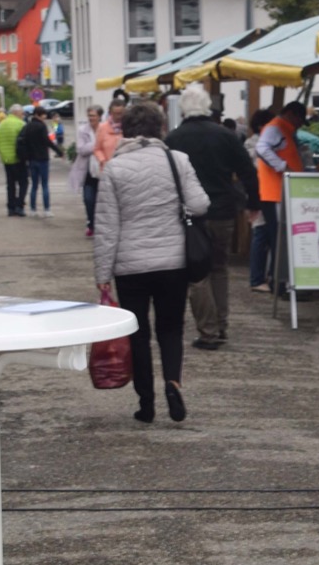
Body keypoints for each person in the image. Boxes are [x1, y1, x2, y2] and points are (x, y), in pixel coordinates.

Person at [94, 101, 211, 425]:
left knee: (138, 333)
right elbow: (200, 204)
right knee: (171, 328)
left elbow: (106, 225)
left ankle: (146, 404)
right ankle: (172, 382)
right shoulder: (178, 161)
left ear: (126, 131)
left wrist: (103, 273)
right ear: (160, 128)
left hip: (129, 266)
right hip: (173, 260)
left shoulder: (115, 169)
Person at [166, 85, 257, 351]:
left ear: (184, 107)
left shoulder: (174, 139)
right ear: (208, 106)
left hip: (191, 216)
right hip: (223, 212)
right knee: (219, 268)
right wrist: (254, 203)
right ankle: (222, 324)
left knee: (197, 274)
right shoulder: (225, 136)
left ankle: (208, 331)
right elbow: (247, 171)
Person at [249, 101, 305, 293]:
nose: (301, 123)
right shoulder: (275, 128)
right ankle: (278, 280)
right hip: (275, 192)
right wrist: (282, 166)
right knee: (277, 237)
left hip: (279, 191)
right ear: (291, 114)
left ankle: (276, 279)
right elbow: (262, 148)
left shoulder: (282, 129)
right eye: (300, 118)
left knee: (272, 235)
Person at [71, 104, 102, 237]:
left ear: (99, 116)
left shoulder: (105, 129)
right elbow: (81, 149)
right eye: (89, 115)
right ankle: (91, 223)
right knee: (88, 199)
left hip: (102, 170)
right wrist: (96, 145)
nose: (91, 118)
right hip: (88, 171)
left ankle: (99, 226)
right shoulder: (83, 130)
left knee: (102, 201)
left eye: (93, 115)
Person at [17, 108, 53, 216]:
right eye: (43, 115)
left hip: (32, 159)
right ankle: (46, 210)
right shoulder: (42, 126)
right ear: (38, 115)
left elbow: (24, 141)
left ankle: (33, 209)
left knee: (34, 186)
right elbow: (47, 141)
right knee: (45, 185)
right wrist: (59, 151)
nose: (45, 117)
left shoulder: (27, 126)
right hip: (43, 158)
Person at [0, 104, 28, 216]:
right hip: (19, 159)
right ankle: (19, 205)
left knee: (10, 184)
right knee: (23, 183)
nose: (23, 115)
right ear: (17, 113)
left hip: (6, 159)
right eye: (22, 113)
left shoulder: (2, 124)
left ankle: (11, 207)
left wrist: (2, 152)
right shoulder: (21, 124)